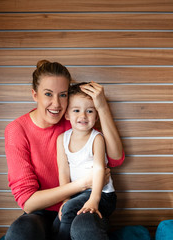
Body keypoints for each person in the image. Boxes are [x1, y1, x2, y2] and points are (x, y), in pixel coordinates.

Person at [4, 60, 124, 240]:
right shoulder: (17, 130)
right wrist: (83, 183)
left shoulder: (76, 117)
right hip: (42, 212)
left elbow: (115, 158)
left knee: (84, 228)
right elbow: (28, 203)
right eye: (48, 94)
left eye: (63, 95)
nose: (56, 104)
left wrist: (101, 106)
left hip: (81, 206)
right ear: (34, 95)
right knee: (20, 231)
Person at [55, 82, 117, 240]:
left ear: (96, 116)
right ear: (67, 114)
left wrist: (94, 200)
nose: (83, 116)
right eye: (76, 110)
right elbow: (63, 170)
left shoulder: (97, 138)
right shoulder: (62, 139)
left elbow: (99, 169)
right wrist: (65, 199)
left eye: (89, 111)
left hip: (102, 194)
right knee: (58, 220)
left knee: (68, 212)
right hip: (77, 194)